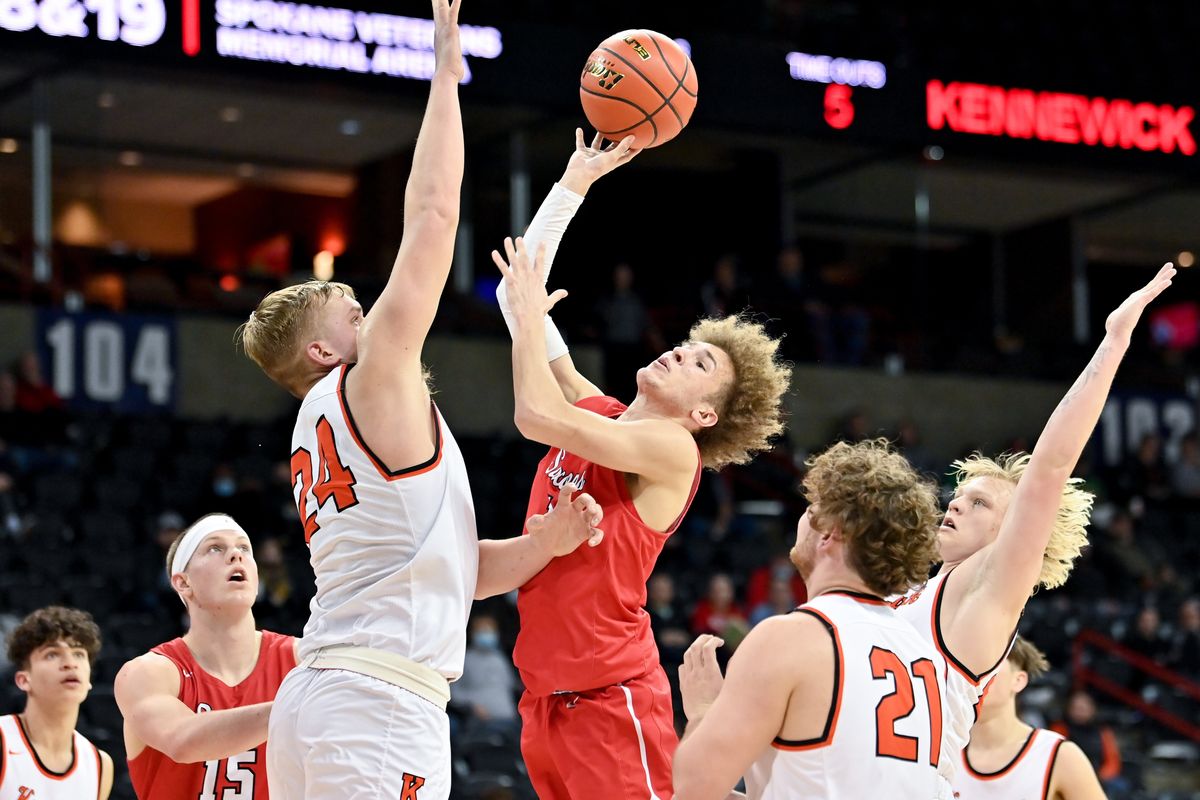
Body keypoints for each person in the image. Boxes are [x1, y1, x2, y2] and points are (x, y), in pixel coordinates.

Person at [236, 4, 604, 797]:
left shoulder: (323, 420)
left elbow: (449, 572)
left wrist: (545, 543)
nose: (370, 308)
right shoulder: (368, 381)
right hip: (376, 701)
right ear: (322, 350)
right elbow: (434, 216)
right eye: (349, 310)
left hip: (328, 696)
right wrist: (445, 70)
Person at [490, 133, 793, 800]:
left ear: (706, 416)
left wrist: (532, 310)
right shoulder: (601, 412)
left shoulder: (671, 450)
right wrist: (573, 184)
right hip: (544, 701)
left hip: (610, 700)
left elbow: (535, 414)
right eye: (686, 346)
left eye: (699, 363)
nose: (679, 354)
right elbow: (521, 302)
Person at [891, 263, 1175, 781]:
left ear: (1013, 532)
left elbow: (1049, 469)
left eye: (979, 504)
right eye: (959, 497)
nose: (954, 505)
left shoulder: (991, 587)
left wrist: (1112, 343)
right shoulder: (912, 592)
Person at [672, 439, 945, 799]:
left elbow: (694, 786)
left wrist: (704, 711)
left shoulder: (791, 637)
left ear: (830, 531)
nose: (801, 519)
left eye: (810, 507)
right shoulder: (921, 653)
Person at [115, 513, 297, 799]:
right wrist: (297, 706)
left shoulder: (301, 660)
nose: (235, 555)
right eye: (215, 548)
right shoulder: (149, 672)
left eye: (244, 548)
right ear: (183, 583)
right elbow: (183, 741)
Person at [955, 638, 1105, 799]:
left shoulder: (1059, 754)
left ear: (1018, 680)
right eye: (968, 664)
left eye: (989, 664)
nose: (975, 674)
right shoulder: (942, 750)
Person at [1, 606, 113, 799]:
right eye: (52, 654)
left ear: (88, 681)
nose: (70, 663)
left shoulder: (99, 764)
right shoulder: (4, 739)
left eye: (79, 653)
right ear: (23, 680)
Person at [1049, 690, 1122, 789]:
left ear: (1093, 709)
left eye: (1083, 708)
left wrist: (1100, 777)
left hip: (1098, 778)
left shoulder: (1103, 732)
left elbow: (1112, 761)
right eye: (1076, 708)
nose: (1080, 712)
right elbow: (1054, 757)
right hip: (1069, 777)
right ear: (1068, 709)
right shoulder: (1059, 728)